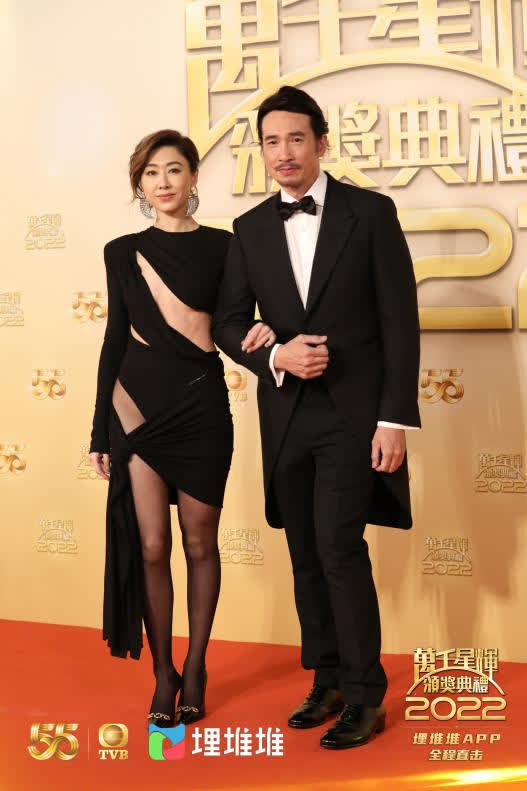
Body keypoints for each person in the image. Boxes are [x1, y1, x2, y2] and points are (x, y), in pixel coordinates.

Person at [212, 86, 421, 750]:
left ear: (321, 143)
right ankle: (326, 679)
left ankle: (364, 694)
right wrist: (275, 353)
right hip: (286, 415)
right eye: (271, 141)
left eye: (296, 139)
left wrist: (394, 419)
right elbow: (227, 322)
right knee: (304, 553)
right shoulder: (249, 229)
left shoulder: (371, 213)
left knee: (338, 548)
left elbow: (399, 322)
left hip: (354, 417)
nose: (284, 153)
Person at [89, 130, 275, 727]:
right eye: (150, 173)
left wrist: (270, 334)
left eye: (173, 170)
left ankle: (195, 667)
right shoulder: (121, 251)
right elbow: (114, 338)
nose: (163, 182)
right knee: (151, 546)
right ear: (139, 185)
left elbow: (236, 322)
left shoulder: (227, 246)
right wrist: (99, 432)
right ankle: (163, 674)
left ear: (193, 176)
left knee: (199, 543)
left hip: (201, 406)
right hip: (137, 408)